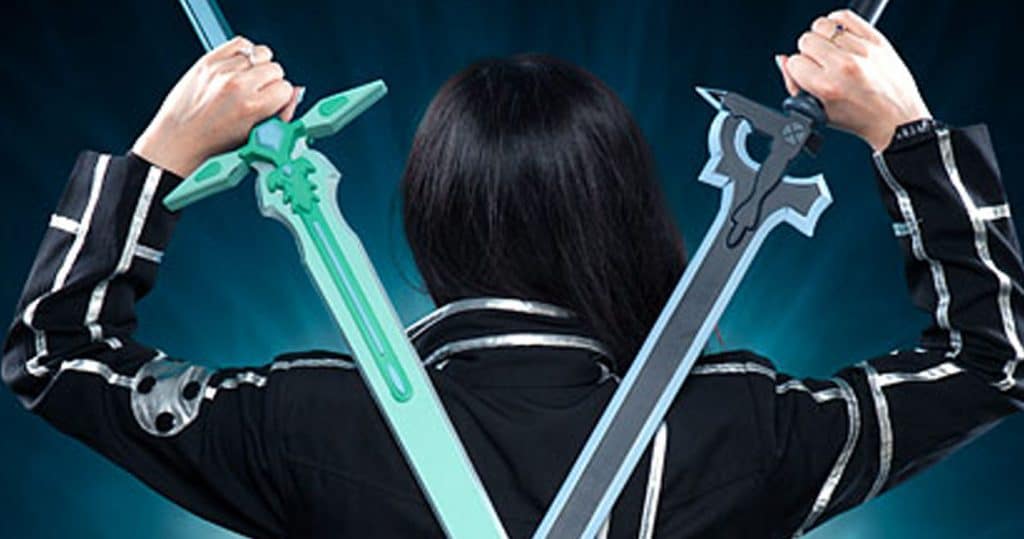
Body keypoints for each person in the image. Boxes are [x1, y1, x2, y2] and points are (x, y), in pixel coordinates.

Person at [3, 9, 1020, 538]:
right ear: (630, 212)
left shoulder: (305, 422)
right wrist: (905, 132)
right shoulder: (741, 427)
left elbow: (52, 353)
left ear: (426, 216)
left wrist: (160, 156)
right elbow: (993, 358)